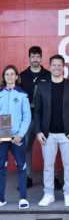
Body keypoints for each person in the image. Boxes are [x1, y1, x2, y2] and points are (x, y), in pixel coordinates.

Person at [34, 55, 69, 207]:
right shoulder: (41, 86)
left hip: (67, 134)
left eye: (59, 65)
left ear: (63, 67)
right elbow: (38, 110)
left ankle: (68, 193)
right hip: (48, 135)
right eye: (54, 65)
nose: (56, 68)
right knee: (48, 166)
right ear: (50, 66)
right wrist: (38, 131)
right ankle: (49, 194)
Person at [20, 46, 54, 188]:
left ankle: (55, 178)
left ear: (41, 58)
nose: (35, 59)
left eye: (38, 56)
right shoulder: (21, 76)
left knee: (50, 147)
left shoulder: (47, 75)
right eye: (33, 56)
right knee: (26, 147)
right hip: (27, 118)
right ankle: (27, 177)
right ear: (29, 58)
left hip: (45, 118)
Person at [0, 65, 31, 209]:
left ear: (17, 76)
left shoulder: (22, 94)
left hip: (17, 137)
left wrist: (20, 134)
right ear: (4, 77)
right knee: (1, 167)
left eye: (12, 74)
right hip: (2, 138)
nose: (10, 77)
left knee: (21, 167)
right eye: (7, 74)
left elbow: (27, 117)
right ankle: (1, 199)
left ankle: (23, 198)